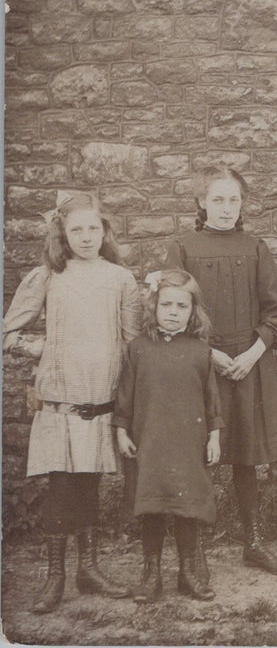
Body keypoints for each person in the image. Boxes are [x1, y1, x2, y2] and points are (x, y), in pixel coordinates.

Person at [3, 192, 141, 613]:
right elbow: (8, 333)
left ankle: (89, 568)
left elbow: (133, 344)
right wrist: (47, 347)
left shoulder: (121, 279)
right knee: (61, 488)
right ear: (62, 233)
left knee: (90, 487)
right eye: (76, 229)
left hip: (99, 403)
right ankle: (54, 577)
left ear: (105, 232)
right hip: (60, 403)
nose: (85, 237)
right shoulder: (48, 276)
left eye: (93, 229)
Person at [165, 165, 277, 575]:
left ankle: (253, 543)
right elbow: (172, 310)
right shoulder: (183, 248)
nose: (226, 208)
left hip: (247, 364)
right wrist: (210, 355)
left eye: (233, 199)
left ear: (243, 203)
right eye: (217, 199)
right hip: (200, 367)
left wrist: (253, 354)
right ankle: (194, 550)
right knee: (198, 456)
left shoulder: (256, 247)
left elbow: (275, 313)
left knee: (246, 457)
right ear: (201, 202)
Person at [114, 269, 222, 603]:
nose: (174, 312)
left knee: (186, 507)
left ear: (193, 312)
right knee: (153, 508)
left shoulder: (200, 351)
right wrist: (121, 430)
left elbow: (212, 400)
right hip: (151, 444)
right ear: (154, 307)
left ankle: (188, 573)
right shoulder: (138, 349)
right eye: (167, 304)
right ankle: (151, 574)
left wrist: (214, 437)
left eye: (182, 306)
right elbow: (125, 396)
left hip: (189, 445)